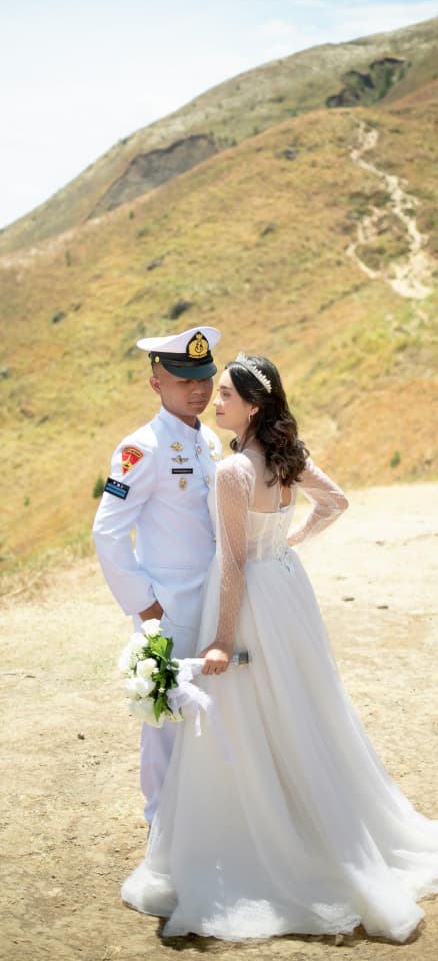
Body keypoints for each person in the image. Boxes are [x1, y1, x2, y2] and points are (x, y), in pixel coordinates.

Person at [121, 353, 438, 942]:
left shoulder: (235, 471)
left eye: (227, 395)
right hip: (286, 590)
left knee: (246, 716)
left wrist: (221, 640)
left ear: (253, 406)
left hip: (248, 602)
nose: (216, 401)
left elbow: (233, 562)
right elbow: (335, 502)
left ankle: (268, 834)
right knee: (299, 705)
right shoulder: (287, 456)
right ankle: (309, 816)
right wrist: (288, 540)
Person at [93, 325, 222, 824]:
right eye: (184, 380)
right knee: (165, 714)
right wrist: (144, 606)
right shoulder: (141, 448)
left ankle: (205, 818)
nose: (199, 389)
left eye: (204, 377)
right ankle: (161, 825)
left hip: (214, 597)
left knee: (213, 708)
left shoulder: (209, 440)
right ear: (156, 383)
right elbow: (107, 532)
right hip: (167, 604)